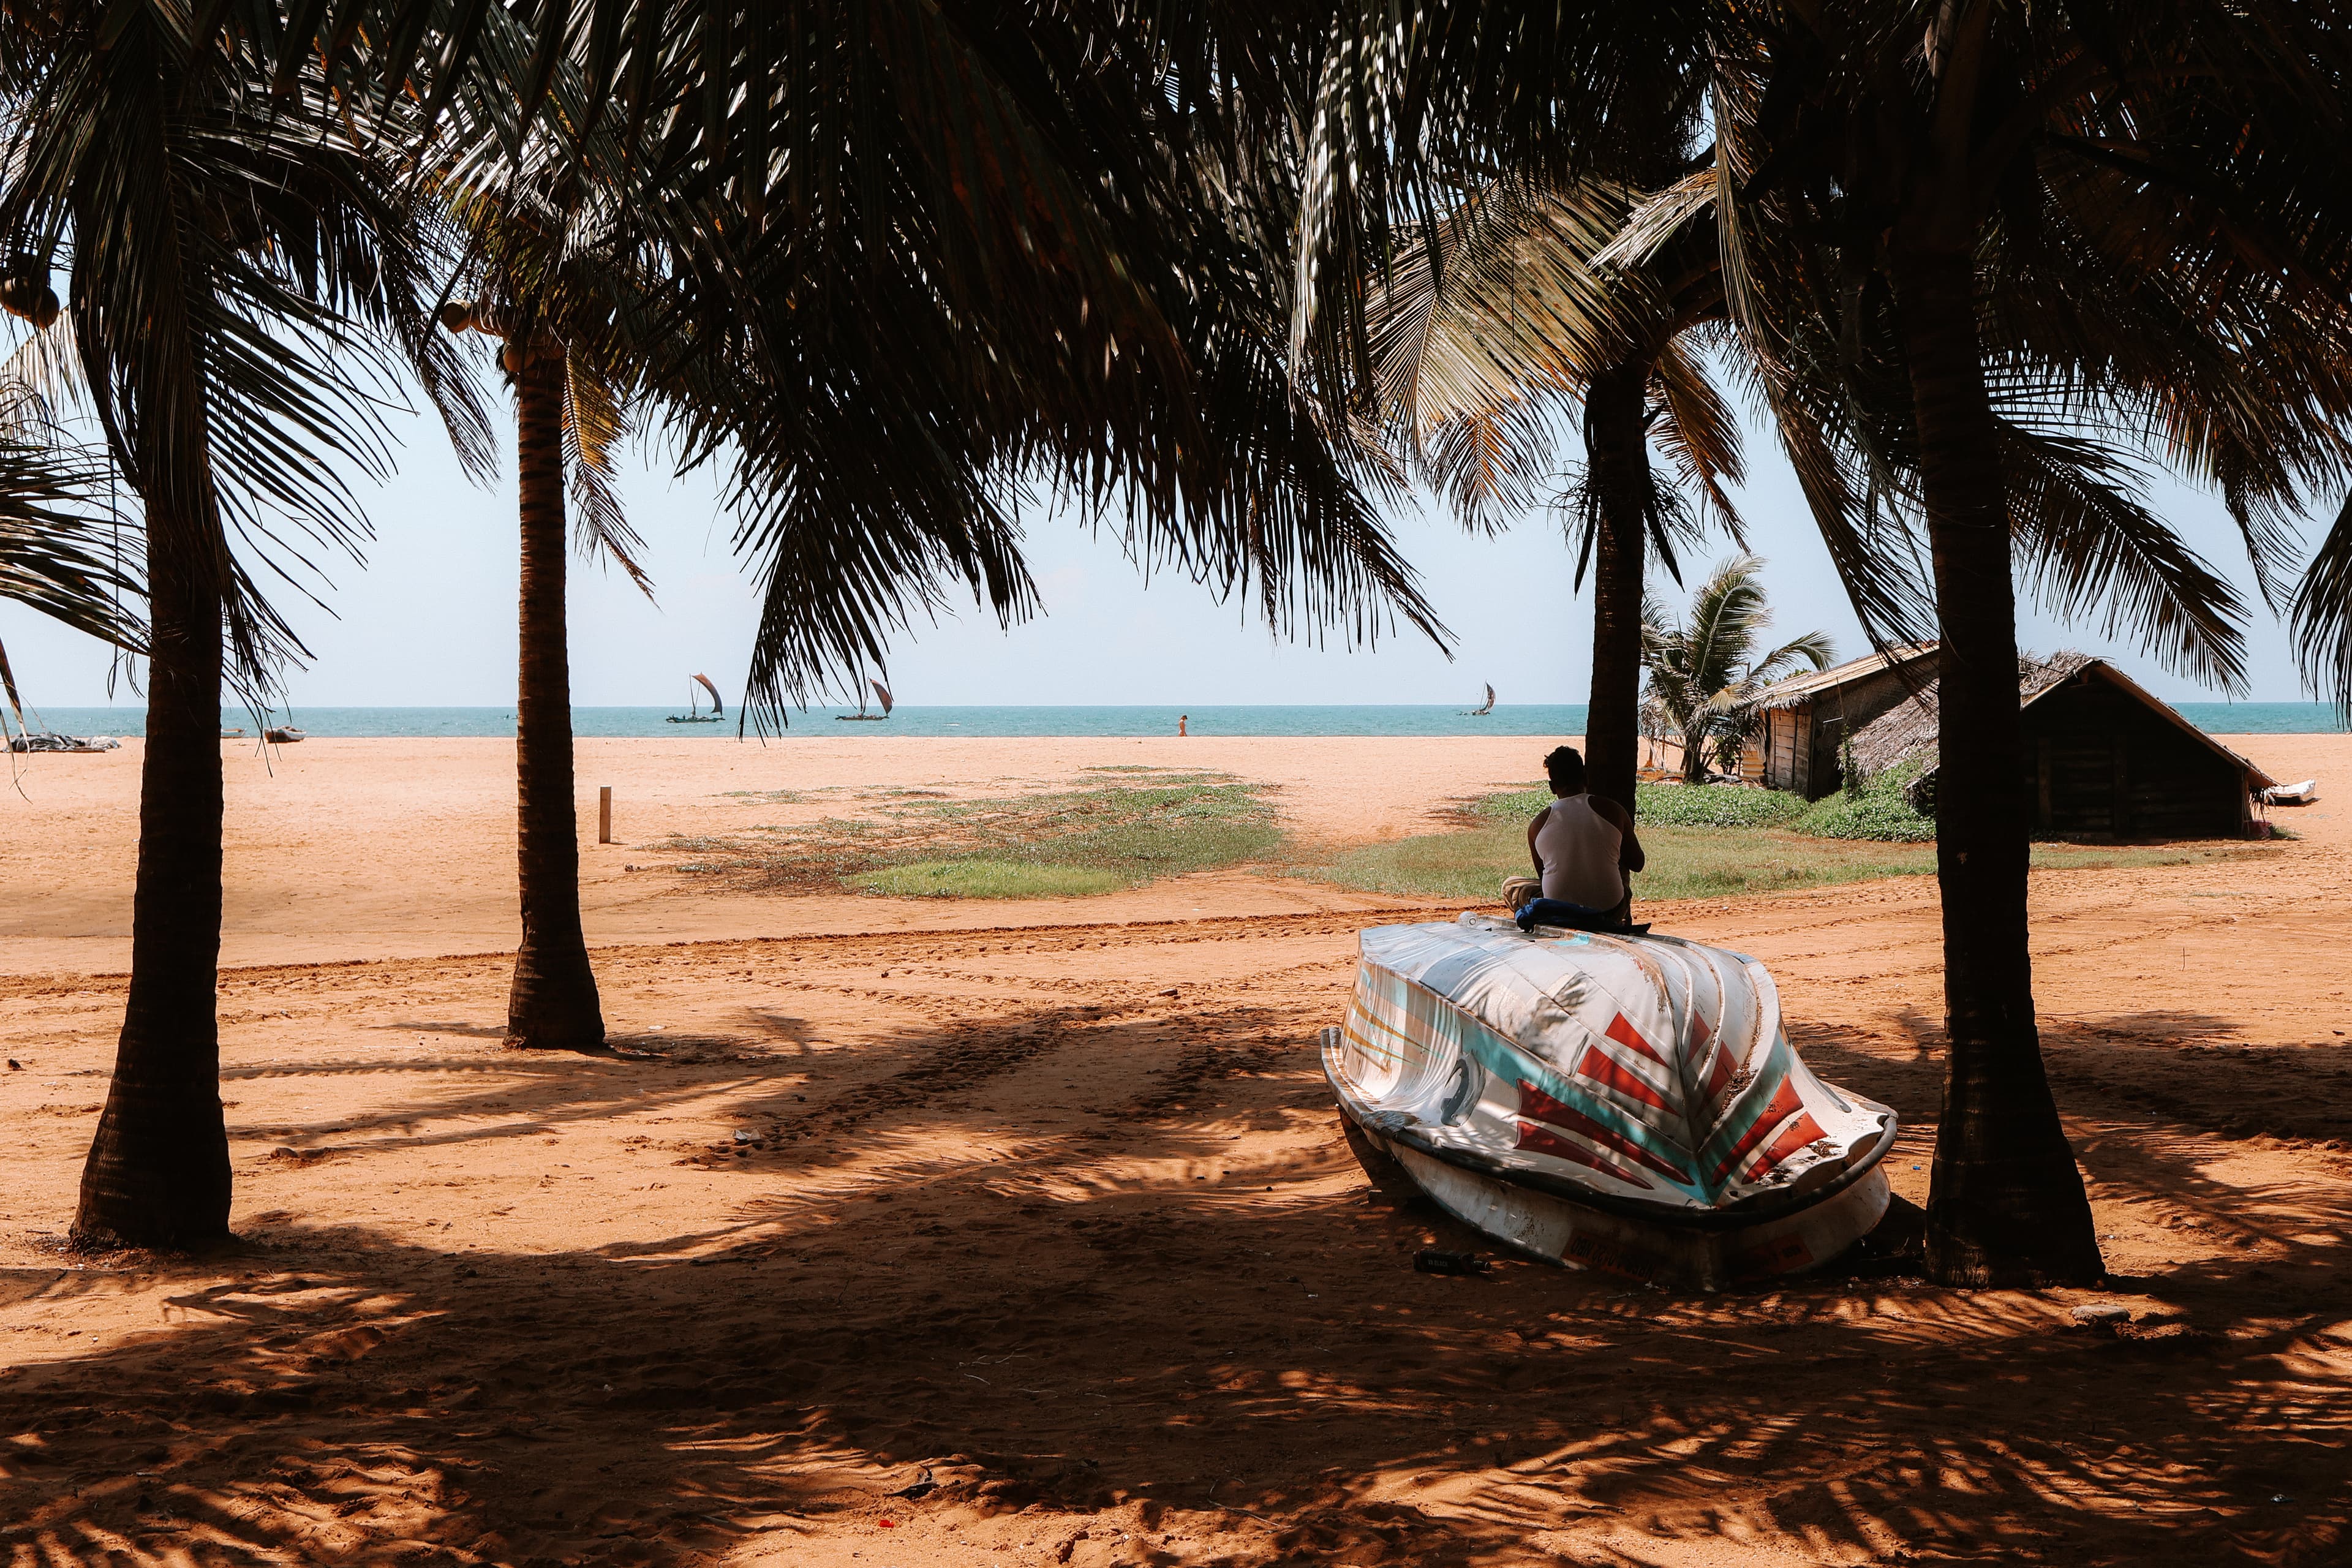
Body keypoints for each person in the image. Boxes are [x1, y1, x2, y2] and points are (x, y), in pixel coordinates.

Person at [1518, 745, 1644, 932]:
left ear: (1553, 787)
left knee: (1513, 887)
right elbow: (1638, 863)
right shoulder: (1614, 811)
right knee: (1619, 854)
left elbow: (1543, 876)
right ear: (1586, 777)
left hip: (1560, 913)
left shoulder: (1537, 825)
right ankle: (1622, 921)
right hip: (1609, 911)